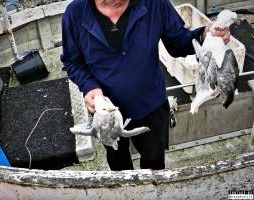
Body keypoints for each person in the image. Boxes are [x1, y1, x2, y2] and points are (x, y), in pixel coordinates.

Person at [60, 0, 231, 170]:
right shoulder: (75, 13)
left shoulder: (155, 4)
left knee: (154, 160)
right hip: (105, 112)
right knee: (117, 161)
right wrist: (90, 87)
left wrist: (204, 35)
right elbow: (73, 62)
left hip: (151, 105)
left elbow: (179, 42)